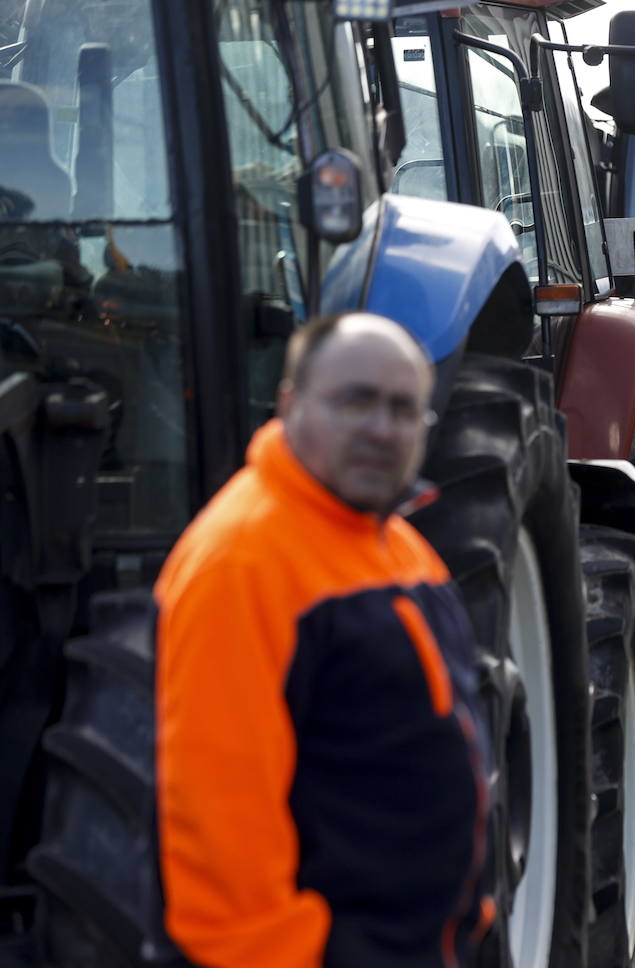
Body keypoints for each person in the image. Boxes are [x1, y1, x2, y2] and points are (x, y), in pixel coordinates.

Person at [155, 313, 491, 966]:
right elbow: (221, 842)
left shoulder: (405, 552)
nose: (381, 428)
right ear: (289, 404)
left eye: (404, 409)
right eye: (355, 401)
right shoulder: (242, 564)